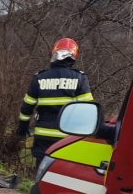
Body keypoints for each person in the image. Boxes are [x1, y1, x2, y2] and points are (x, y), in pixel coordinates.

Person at [17, 37, 93, 167]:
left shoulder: (40, 77)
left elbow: (26, 108)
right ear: (73, 55)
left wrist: (22, 128)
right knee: (62, 171)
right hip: (67, 138)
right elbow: (88, 111)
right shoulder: (80, 78)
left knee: (41, 169)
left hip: (43, 135)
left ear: (54, 53)